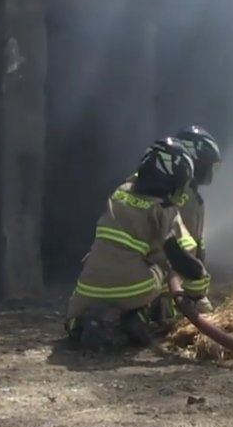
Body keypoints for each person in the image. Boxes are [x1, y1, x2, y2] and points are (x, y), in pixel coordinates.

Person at [64, 137, 211, 350]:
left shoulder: (121, 191)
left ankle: (83, 322)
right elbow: (181, 261)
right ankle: (142, 316)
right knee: (164, 264)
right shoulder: (163, 210)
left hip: (89, 284)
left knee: (72, 319)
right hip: (134, 288)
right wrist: (198, 291)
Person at [169, 125, 222, 313]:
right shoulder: (184, 197)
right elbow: (181, 251)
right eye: (208, 164)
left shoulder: (186, 193)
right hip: (166, 288)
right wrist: (196, 296)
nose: (210, 171)